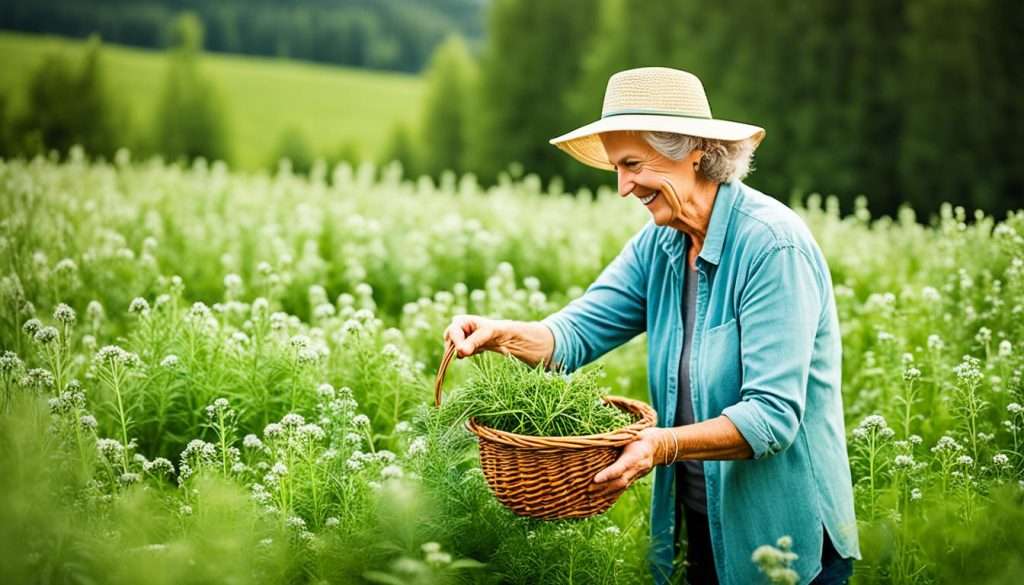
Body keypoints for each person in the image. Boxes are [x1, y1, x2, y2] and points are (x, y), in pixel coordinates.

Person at [444, 67, 859, 585]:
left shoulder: (771, 245)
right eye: (617, 168)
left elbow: (772, 416)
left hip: (780, 537)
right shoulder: (660, 244)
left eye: (632, 164)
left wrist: (659, 445)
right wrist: (499, 333)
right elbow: (572, 336)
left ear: (692, 151)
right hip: (694, 526)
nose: (622, 188)